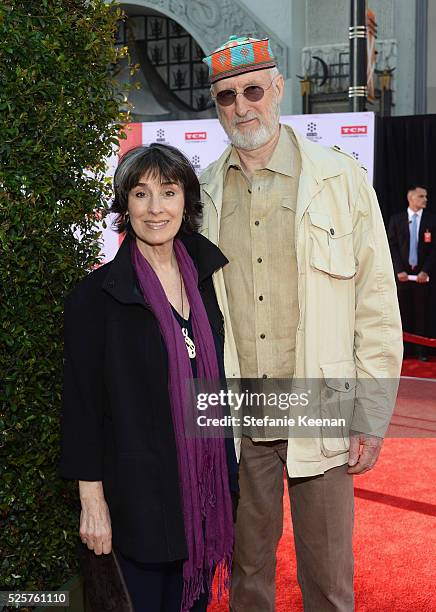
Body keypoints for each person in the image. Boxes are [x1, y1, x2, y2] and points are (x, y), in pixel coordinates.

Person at [200, 35, 403, 611]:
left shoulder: (341, 181)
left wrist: (372, 413)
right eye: (226, 97)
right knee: (246, 578)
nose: (241, 107)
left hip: (323, 405)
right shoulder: (201, 194)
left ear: (279, 88)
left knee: (330, 581)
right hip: (239, 412)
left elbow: (377, 307)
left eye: (253, 90)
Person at [59, 143, 237, 612]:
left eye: (169, 192)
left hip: (202, 502)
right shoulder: (95, 299)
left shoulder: (209, 279)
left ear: (187, 202)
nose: (155, 208)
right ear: (125, 206)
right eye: (141, 194)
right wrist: (92, 503)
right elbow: (81, 409)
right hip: (136, 504)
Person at [388, 185, 436, 360]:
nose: (425, 199)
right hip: (402, 277)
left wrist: (425, 271)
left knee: (422, 313)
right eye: (421, 196)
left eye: (426, 196)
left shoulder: (432, 221)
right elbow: (391, 247)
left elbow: (433, 250)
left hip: (423, 278)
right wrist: (399, 269)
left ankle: (421, 352)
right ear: (411, 199)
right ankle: (402, 352)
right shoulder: (397, 220)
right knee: (401, 313)